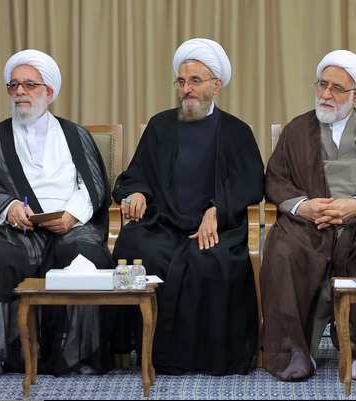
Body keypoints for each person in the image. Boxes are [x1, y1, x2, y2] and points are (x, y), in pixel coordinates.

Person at [110, 38, 264, 376]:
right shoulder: (160, 125)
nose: (186, 89)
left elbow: (252, 183)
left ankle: (205, 357)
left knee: (213, 260)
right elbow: (137, 173)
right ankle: (137, 348)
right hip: (163, 222)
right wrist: (136, 193)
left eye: (195, 81)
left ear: (215, 85)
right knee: (133, 246)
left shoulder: (237, 131)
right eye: (181, 81)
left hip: (216, 227)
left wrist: (217, 209)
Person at [259, 50, 356, 381]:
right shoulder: (297, 129)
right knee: (282, 250)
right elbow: (276, 179)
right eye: (322, 84)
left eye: (336, 88)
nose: (325, 94)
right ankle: (295, 351)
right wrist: (303, 206)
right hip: (308, 223)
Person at [0, 49, 115, 375]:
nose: (20, 91)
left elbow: (94, 184)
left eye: (29, 85)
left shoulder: (75, 134)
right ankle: (11, 351)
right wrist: (10, 207)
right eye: (14, 85)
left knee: (86, 257)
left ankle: (78, 352)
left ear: (48, 92)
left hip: (71, 226)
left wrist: (73, 215)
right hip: (23, 228)